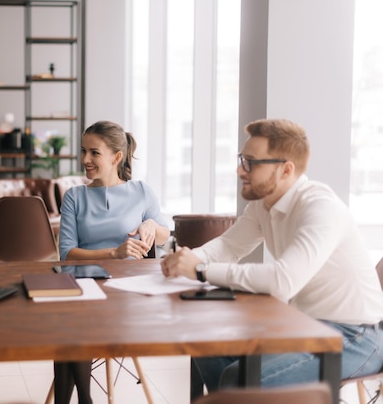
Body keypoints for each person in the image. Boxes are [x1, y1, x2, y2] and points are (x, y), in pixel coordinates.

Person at [160, 118, 383, 398]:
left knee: (237, 380)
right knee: (208, 347)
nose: (240, 170)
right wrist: (187, 258)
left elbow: (283, 280)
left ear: (285, 169)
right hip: (302, 326)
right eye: (242, 159)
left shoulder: (320, 207)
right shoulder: (263, 205)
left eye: (251, 162)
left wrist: (202, 270)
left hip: (355, 337)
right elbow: (230, 245)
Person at [55, 120, 170, 404]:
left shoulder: (142, 191)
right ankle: (84, 398)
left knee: (72, 326)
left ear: (116, 157)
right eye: (83, 151)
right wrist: (113, 253)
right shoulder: (74, 196)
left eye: (94, 153)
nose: (85, 159)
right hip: (83, 284)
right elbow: (67, 253)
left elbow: (165, 235)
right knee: (70, 322)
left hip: (127, 290)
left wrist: (151, 225)